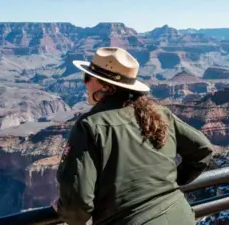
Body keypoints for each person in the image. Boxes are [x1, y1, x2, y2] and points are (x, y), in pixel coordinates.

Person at [51, 47, 214, 225]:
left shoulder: (90, 125)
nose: (85, 83)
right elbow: (202, 150)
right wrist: (168, 183)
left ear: (106, 86)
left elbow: (78, 207)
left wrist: (63, 209)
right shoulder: (159, 113)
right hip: (180, 216)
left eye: (87, 78)